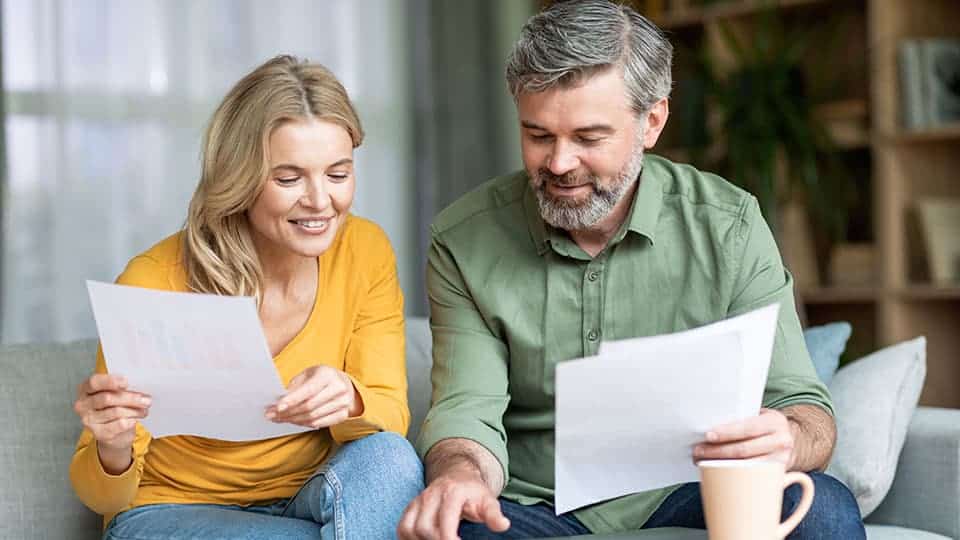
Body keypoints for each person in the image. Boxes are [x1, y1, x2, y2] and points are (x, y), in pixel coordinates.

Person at [397, 2, 865, 539]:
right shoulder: (464, 240)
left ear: (653, 122)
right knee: (462, 526)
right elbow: (467, 411)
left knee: (822, 509)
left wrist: (788, 436)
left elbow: (803, 407)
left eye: (589, 138)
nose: (559, 163)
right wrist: (460, 476)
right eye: (538, 135)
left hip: (693, 488)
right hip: (535, 503)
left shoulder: (728, 226)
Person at [70, 55, 423, 539]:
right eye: (288, 178)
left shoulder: (365, 251)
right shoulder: (153, 280)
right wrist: (113, 445)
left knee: (391, 457)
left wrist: (351, 399)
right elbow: (103, 498)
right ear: (240, 178)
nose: (321, 201)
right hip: (171, 511)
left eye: (338, 174)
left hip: (311, 498)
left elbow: (391, 415)